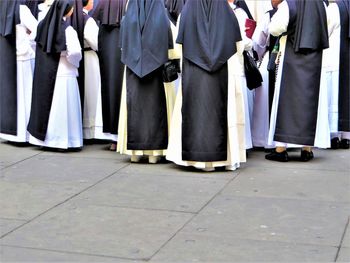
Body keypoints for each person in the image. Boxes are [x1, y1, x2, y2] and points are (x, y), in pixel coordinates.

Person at [166, 0, 245, 172]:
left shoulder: (187, 12)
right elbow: (239, 46)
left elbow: (179, 46)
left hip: (193, 69)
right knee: (222, 113)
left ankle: (194, 157)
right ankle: (220, 159)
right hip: (223, 69)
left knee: (192, 110)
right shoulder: (228, 13)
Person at [266, 0, 329, 162]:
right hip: (315, 59)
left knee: (286, 100)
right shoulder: (321, 4)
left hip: (291, 56)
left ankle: (280, 149)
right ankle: (306, 149)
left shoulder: (289, 4)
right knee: (310, 101)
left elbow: (275, 29)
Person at [117, 0, 176, 164]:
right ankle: (154, 153)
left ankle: (135, 152)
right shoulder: (162, 16)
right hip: (157, 72)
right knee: (156, 109)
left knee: (133, 107)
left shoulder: (129, 17)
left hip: (132, 71)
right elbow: (172, 48)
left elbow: (123, 45)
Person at [27, 0, 83, 150]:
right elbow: (75, 52)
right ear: (68, 10)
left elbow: (33, 41)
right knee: (64, 108)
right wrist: (68, 57)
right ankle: (63, 140)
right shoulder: (68, 30)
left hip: (46, 72)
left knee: (48, 107)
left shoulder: (42, 25)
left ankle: (47, 140)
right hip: (65, 73)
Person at [0, 0, 38, 143]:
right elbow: (37, 28)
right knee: (26, 95)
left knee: (11, 96)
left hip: (7, 59)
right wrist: (28, 39)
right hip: (24, 58)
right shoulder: (22, 9)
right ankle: (24, 134)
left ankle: (11, 134)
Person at [92, 0, 127, 151]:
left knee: (110, 89)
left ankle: (113, 137)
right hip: (124, 52)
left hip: (107, 52)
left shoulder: (103, 4)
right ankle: (122, 136)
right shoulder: (129, 4)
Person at [251, 0, 282, 149]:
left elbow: (258, 43)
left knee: (264, 101)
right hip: (293, 63)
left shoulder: (270, 16)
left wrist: (258, 56)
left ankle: (264, 139)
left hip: (272, 61)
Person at [228, 0, 254, 151]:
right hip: (236, 64)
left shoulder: (238, 12)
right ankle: (241, 143)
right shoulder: (239, 13)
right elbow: (245, 42)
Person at [326, 0, 350, 149]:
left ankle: (333, 136)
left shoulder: (334, 8)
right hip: (346, 57)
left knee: (334, 95)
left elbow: (324, 30)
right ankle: (347, 136)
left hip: (335, 57)